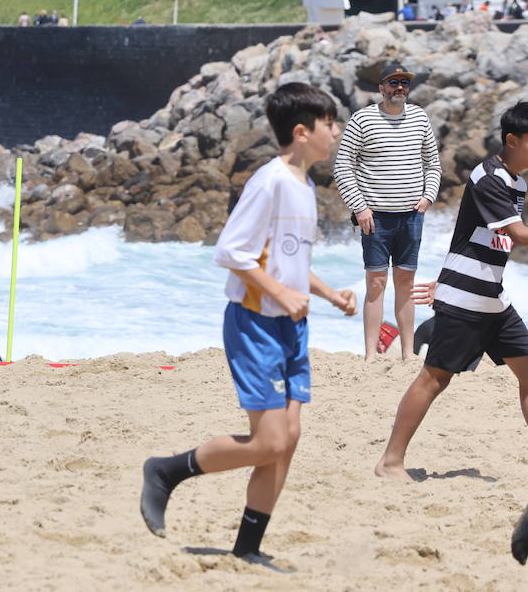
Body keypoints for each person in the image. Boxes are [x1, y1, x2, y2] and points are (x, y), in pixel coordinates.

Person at [139, 82, 357, 561]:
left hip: (291, 327)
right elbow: (232, 252)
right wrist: (281, 292)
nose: (336, 131)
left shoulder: (305, 186)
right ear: (302, 132)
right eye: (329, 124)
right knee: (269, 441)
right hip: (256, 323)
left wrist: (329, 294)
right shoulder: (271, 181)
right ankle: (167, 470)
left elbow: (289, 262)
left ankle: (247, 549)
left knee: (288, 440)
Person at [374, 101, 528, 481]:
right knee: (434, 378)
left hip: (492, 298)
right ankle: (390, 462)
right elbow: (520, 236)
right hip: (465, 300)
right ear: (513, 140)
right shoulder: (488, 177)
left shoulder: (518, 180)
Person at [332, 63, 440, 361]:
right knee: (376, 283)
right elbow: (343, 165)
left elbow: (432, 164)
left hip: (411, 216)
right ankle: (370, 355)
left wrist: (428, 197)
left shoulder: (419, 118)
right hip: (375, 218)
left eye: (404, 82)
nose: (399, 88)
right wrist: (360, 207)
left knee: (405, 282)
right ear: (381, 87)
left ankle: (407, 353)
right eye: (393, 83)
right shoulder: (362, 120)